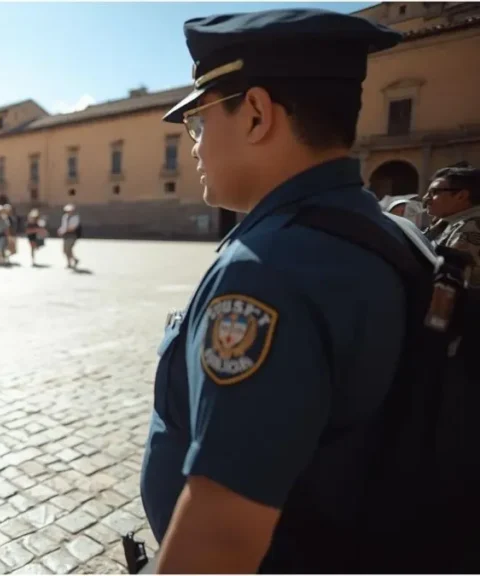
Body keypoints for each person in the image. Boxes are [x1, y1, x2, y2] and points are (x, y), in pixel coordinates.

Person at [139, 9, 411, 573]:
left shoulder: (266, 268)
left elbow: (221, 538)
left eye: (199, 122)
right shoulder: (390, 231)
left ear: (257, 114)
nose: (193, 146)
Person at [422, 165, 480, 286]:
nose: (426, 198)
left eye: (434, 192)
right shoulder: (448, 222)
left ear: (461, 196)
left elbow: (448, 287)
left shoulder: (469, 227)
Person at [58, 204, 81, 268]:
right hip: (66, 235)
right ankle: (74, 260)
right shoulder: (65, 217)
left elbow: (72, 228)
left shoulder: (75, 218)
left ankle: (69, 263)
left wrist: (63, 231)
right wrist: (60, 230)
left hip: (72, 235)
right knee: (65, 250)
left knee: (68, 249)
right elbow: (63, 226)